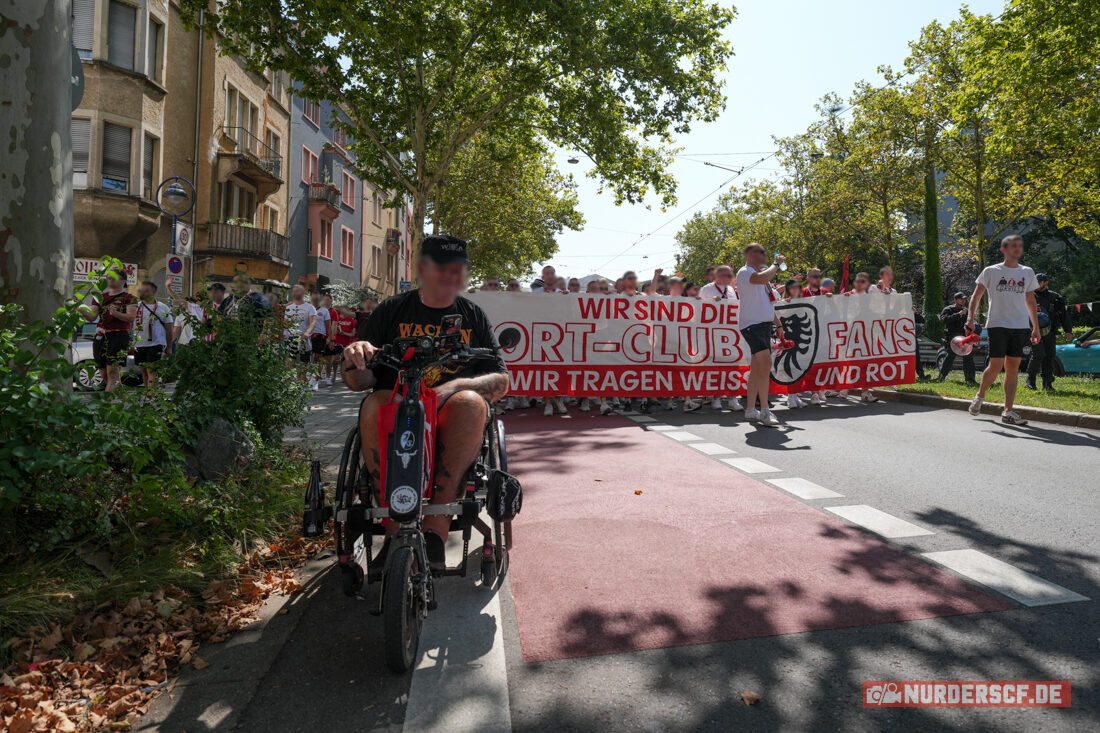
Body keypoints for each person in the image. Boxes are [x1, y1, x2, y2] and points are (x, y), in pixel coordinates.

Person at [342, 234, 509, 570]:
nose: (451, 276)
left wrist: (457, 386)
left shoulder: (473, 315)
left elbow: (501, 380)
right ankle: (393, 530)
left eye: (458, 269)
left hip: (451, 412)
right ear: (423, 269)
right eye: (442, 268)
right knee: (375, 403)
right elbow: (360, 382)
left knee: (471, 404)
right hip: (396, 403)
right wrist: (353, 356)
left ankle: (436, 530)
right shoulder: (393, 309)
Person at [966, 234, 1041, 425]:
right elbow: (976, 297)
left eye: (1019, 246)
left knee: (1012, 369)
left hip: (1020, 326)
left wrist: (1035, 328)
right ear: (1004, 249)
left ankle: (1008, 411)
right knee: (996, 365)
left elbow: (1030, 301)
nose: (1017, 249)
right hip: (997, 324)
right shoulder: (991, 271)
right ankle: (980, 396)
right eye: (1013, 246)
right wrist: (970, 319)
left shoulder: (1027, 272)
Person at [737, 244, 784, 426]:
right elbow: (761, 277)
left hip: (763, 326)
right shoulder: (745, 272)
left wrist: (778, 325)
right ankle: (765, 410)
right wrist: (776, 264)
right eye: (761, 252)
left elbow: (767, 305)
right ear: (750, 255)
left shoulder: (765, 281)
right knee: (766, 364)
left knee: (757, 369)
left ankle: (750, 409)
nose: (764, 255)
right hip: (752, 326)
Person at [81, 271, 137, 391]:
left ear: (124, 281)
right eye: (109, 277)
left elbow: (131, 317)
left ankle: (105, 405)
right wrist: (80, 309)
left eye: (114, 278)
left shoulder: (129, 298)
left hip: (118, 335)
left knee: (112, 374)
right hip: (100, 336)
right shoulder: (99, 297)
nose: (110, 279)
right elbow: (92, 317)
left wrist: (116, 314)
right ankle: (123, 401)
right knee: (104, 375)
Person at [699, 266, 742, 411]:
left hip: (730, 334)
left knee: (733, 366)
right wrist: (710, 301)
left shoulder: (730, 290)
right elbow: (696, 307)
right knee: (716, 367)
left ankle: (733, 398)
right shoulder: (706, 289)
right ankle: (716, 398)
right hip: (713, 333)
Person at [1026, 273, 1070, 391]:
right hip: (1033, 331)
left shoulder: (1055, 297)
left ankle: (1047, 383)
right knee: (1038, 355)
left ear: (1046, 282)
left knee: (1049, 356)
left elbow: (1064, 315)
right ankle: (1030, 380)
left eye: (1039, 282)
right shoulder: (1029, 295)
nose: (1037, 284)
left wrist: (1068, 331)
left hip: (1050, 331)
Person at [133, 281, 173, 388]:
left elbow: (169, 328)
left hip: (156, 343)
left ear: (153, 292)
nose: (143, 292)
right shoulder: (135, 307)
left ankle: (152, 396)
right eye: (142, 290)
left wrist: (169, 346)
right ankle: (148, 394)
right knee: (144, 372)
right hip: (139, 344)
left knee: (152, 371)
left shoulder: (162, 307)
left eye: (146, 290)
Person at [938, 291, 976, 385]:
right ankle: (942, 376)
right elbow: (944, 320)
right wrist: (959, 314)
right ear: (955, 300)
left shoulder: (967, 310)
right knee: (950, 357)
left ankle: (970, 379)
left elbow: (970, 323)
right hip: (952, 337)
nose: (963, 301)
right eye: (961, 299)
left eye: (964, 299)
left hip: (964, 337)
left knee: (968, 356)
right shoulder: (948, 309)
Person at [284, 285, 317, 386]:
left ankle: (301, 386)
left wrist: (307, 334)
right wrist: (289, 321)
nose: (294, 293)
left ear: (303, 293)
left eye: (297, 291)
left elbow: (313, 323)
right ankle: (288, 387)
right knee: (288, 363)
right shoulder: (289, 308)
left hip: (303, 339)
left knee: (303, 364)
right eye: (293, 291)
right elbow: (285, 324)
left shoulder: (310, 307)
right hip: (290, 338)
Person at [309, 292, 331, 386]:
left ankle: (316, 382)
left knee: (318, 359)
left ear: (320, 300)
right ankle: (309, 379)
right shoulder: (308, 309)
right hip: (308, 336)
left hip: (319, 336)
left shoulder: (325, 311)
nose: (315, 300)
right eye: (313, 299)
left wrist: (331, 339)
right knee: (308, 359)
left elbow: (329, 326)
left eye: (317, 299)